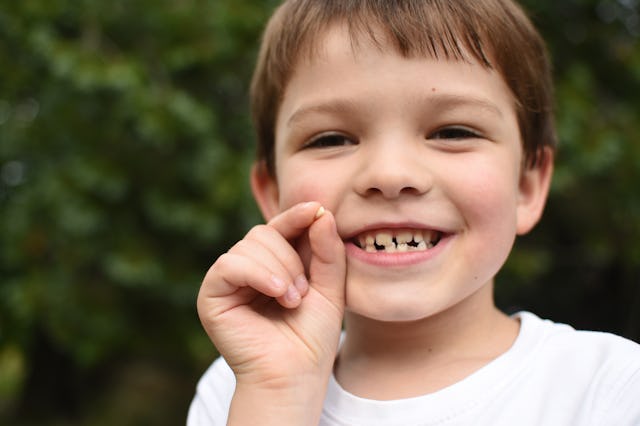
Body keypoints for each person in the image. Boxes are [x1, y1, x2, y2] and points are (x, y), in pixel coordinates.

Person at [187, 0, 640, 424]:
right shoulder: (238, 388)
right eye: (331, 139)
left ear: (527, 185)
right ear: (272, 194)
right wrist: (276, 396)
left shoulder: (611, 389)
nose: (389, 173)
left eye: (453, 131)